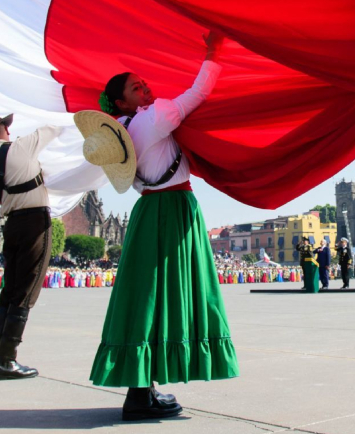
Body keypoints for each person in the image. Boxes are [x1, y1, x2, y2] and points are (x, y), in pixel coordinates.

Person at [88, 30, 237, 421]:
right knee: (175, 292)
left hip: (147, 212)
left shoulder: (118, 138)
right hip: (175, 209)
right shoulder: (154, 118)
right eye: (138, 87)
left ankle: (141, 390)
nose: (146, 87)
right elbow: (198, 92)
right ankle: (141, 395)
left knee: (146, 297)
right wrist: (212, 52)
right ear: (122, 101)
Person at [0, 108, 62, 380]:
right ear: (3, 129)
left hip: (11, 223)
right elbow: (55, 127)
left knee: (9, 289)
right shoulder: (21, 146)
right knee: (27, 288)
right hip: (34, 220)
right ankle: (6, 361)